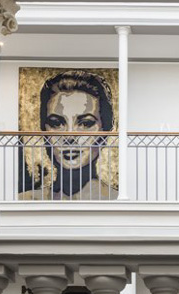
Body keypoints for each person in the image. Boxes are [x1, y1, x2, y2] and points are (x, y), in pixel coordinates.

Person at [21, 72, 118, 200]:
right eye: (56, 123)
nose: (70, 137)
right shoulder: (26, 199)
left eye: (85, 123)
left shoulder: (116, 199)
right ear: (44, 131)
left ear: (105, 131)